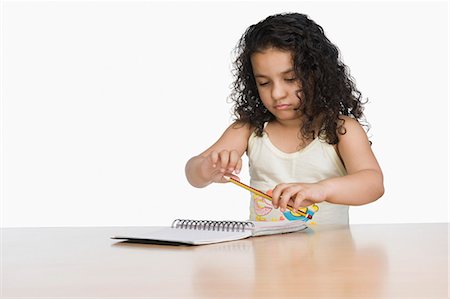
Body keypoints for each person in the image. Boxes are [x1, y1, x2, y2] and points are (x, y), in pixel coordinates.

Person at [185, 13, 384, 224]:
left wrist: (322, 189)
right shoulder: (249, 129)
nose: (277, 93)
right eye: (264, 83)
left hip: (331, 255)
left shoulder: (340, 129)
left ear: (317, 74)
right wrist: (207, 169)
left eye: (290, 79)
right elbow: (193, 172)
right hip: (265, 255)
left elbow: (372, 183)